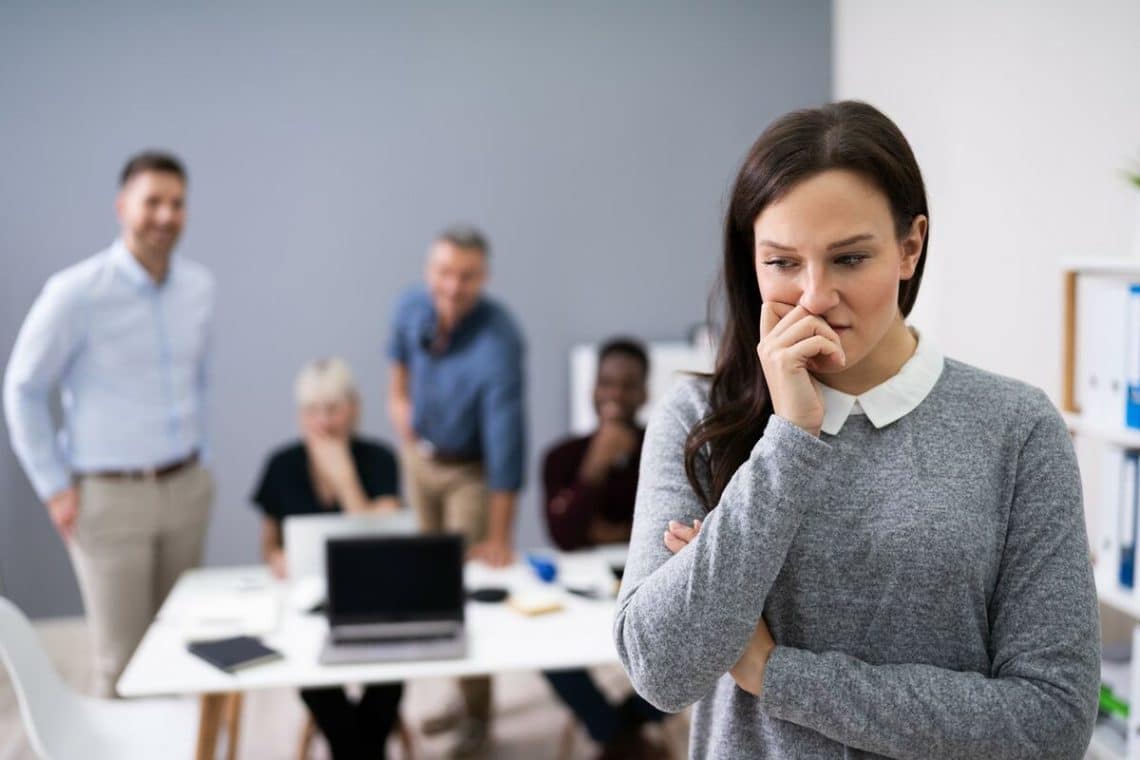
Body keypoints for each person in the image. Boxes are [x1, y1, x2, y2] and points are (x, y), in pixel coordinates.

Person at [614, 101, 1100, 759]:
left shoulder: (1016, 429)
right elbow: (663, 672)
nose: (814, 296)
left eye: (848, 259)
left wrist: (776, 674)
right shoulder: (696, 417)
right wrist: (789, 438)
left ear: (910, 246)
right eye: (783, 263)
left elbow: (1052, 722)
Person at [3, 151, 215, 698]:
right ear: (123, 207)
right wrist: (54, 488)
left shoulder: (199, 288)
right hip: (110, 498)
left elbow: (199, 380)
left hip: (186, 489)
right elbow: (22, 388)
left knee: (183, 649)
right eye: (153, 202)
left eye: (177, 203)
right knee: (123, 663)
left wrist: (202, 461)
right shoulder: (76, 292)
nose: (166, 216)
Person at [386, 224, 526, 757]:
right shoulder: (409, 307)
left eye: (466, 276)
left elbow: (506, 444)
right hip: (419, 461)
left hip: (470, 471)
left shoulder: (499, 341)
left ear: (482, 278)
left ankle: (477, 716)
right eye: (444, 273)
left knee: (460, 588)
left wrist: (499, 534)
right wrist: (400, 412)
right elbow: (396, 366)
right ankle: (456, 694)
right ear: (430, 273)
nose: (453, 286)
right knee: (426, 586)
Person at [251, 357, 403, 760]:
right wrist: (277, 557)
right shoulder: (281, 465)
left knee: (394, 667)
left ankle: (352, 750)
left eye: (333, 409)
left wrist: (346, 480)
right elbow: (268, 544)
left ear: (354, 408)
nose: (323, 422)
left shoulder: (380, 458)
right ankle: (362, 750)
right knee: (305, 665)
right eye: (312, 411)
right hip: (307, 600)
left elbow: (383, 541)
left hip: (374, 598)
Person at [542, 337, 667, 759]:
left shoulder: (664, 449)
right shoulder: (562, 456)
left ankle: (618, 735)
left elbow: (669, 529)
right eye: (607, 383)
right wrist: (596, 461)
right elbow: (565, 536)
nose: (615, 394)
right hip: (584, 586)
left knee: (689, 646)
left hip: (651, 584)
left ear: (644, 393)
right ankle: (618, 733)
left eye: (628, 385)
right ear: (593, 388)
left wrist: (603, 531)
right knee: (545, 647)